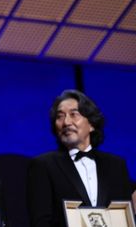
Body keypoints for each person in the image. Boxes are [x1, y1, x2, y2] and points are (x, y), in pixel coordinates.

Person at [27, 89, 133, 227]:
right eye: (60, 116)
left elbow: (125, 216)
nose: (66, 122)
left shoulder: (116, 165)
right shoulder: (43, 165)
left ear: (92, 124)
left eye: (74, 114)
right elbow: (40, 222)